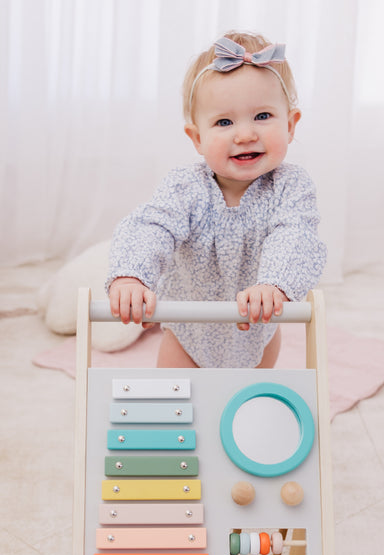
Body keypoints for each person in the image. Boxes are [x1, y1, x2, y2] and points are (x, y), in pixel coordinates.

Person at [106, 31, 326, 368]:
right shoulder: (185, 188)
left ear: (291, 124)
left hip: (257, 326)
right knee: (178, 403)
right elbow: (152, 226)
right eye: (224, 122)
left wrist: (274, 284)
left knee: (248, 404)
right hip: (189, 332)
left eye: (263, 116)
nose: (245, 134)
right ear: (197, 137)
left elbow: (296, 235)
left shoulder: (290, 187)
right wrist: (131, 276)